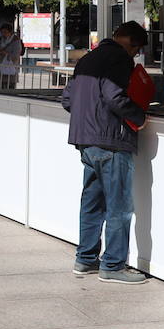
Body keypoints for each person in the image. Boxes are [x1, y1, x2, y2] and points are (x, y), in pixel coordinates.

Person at [62, 21, 150, 285]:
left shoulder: (88, 59)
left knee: (92, 203)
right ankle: (112, 264)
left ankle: (86, 259)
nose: (135, 56)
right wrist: (139, 116)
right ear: (131, 44)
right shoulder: (120, 60)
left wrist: (88, 118)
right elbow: (114, 96)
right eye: (136, 51)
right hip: (111, 141)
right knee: (119, 207)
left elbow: (68, 98)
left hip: (86, 141)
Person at [0, 22, 23, 90]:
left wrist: (2, 52)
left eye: (5, 32)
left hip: (11, 68)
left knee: (10, 89)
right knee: (0, 87)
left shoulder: (16, 41)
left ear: (10, 32)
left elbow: (16, 55)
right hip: (2, 67)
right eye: (2, 32)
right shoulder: (2, 40)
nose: (3, 34)